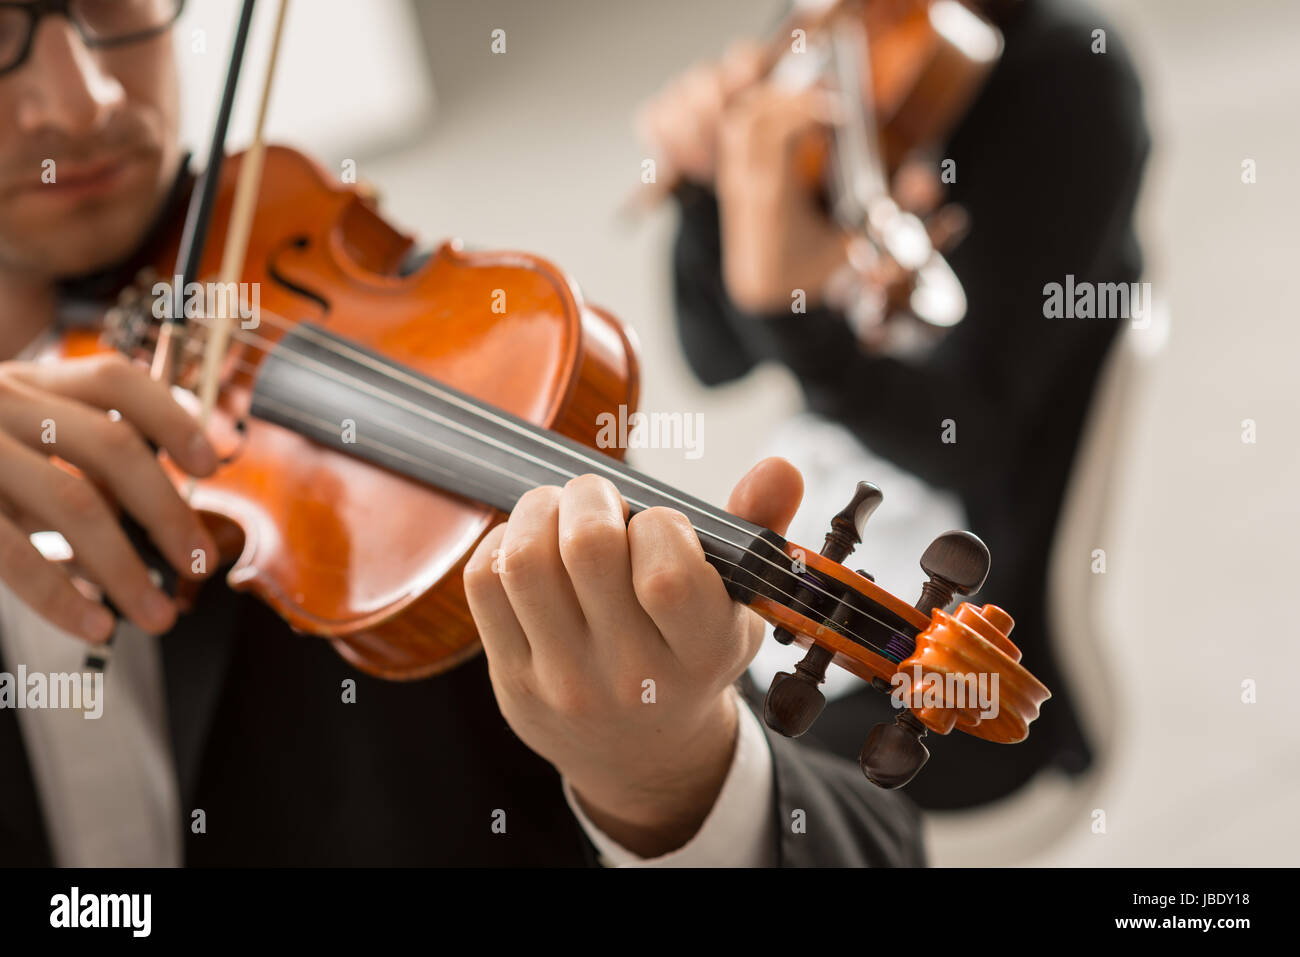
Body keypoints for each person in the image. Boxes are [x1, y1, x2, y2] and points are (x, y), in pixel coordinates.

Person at [0, 0, 924, 866]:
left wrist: (673, 777)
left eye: (109, 1)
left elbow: (872, 843)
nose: (84, 99)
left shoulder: (445, 365)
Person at [638, 0, 1150, 809]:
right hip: (820, 558)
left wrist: (789, 317)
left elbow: (968, 436)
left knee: (704, 795)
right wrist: (712, 194)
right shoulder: (843, 29)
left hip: (962, 643)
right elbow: (714, 357)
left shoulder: (1067, 83)